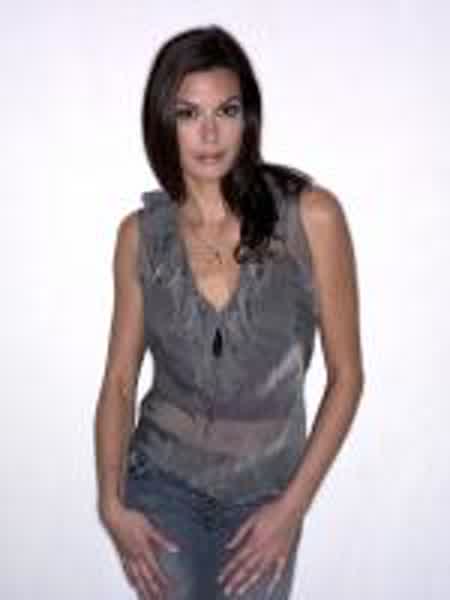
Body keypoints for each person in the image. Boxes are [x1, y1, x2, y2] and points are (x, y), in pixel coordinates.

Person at [94, 24, 364, 600]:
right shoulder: (140, 237)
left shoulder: (312, 217)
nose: (210, 133)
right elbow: (119, 381)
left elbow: (347, 377)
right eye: (189, 113)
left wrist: (292, 507)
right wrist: (111, 504)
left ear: (249, 118)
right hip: (162, 484)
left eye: (227, 110)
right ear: (163, 122)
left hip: (266, 492)